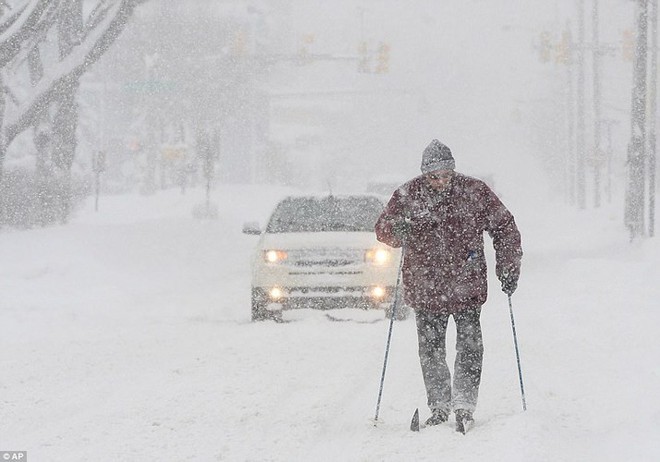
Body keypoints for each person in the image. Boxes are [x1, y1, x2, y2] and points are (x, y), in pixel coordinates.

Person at [375, 139, 522, 433]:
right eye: (434, 176)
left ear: (453, 171)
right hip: (425, 287)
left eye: (445, 174)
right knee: (431, 351)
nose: (440, 181)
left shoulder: (474, 192)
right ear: (424, 174)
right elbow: (383, 229)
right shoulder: (408, 194)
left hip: (466, 286)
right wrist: (398, 229)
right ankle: (439, 405)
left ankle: (464, 404)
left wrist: (507, 266)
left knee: (469, 348)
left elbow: (504, 227)